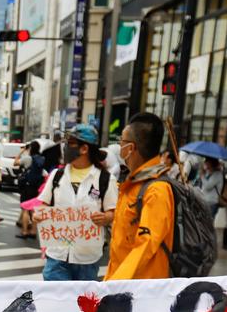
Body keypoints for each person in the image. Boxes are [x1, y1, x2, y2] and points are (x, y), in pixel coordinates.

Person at [35, 124, 117, 281]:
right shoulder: (57, 175)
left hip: (87, 258)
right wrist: (39, 213)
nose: (65, 148)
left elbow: (113, 211)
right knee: (56, 302)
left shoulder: (106, 179)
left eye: (70, 144)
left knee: (81, 304)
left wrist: (106, 217)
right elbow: (44, 204)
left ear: (84, 149)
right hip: (57, 255)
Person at [107, 112, 175, 280]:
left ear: (130, 148)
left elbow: (146, 244)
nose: (120, 146)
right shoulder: (134, 184)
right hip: (124, 284)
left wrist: (114, 284)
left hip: (140, 290)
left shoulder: (157, 190)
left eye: (121, 142)